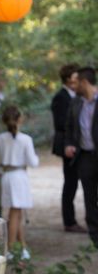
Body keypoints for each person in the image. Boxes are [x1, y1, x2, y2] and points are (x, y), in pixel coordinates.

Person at [0, 106, 39, 260]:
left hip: (6, 176)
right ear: (20, 119)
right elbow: (33, 162)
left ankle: (23, 247)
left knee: (17, 213)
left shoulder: (1, 138)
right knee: (15, 213)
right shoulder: (26, 139)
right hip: (19, 176)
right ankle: (10, 249)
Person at [64, 66, 98, 248]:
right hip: (84, 157)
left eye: (75, 82)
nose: (72, 85)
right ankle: (95, 239)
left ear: (84, 82)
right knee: (89, 197)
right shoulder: (76, 103)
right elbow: (69, 127)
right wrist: (69, 143)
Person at [51, 63, 85, 232]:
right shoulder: (61, 97)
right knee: (70, 182)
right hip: (68, 144)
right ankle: (69, 221)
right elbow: (61, 123)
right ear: (67, 79)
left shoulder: (77, 96)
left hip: (78, 144)